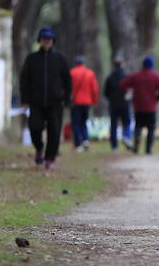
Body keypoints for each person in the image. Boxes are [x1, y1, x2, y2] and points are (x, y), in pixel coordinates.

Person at [19, 27, 71, 169]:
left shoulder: (60, 59)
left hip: (55, 102)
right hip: (36, 102)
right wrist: (24, 100)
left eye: (49, 39)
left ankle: (50, 158)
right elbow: (24, 80)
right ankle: (39, 149)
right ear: (40, 41)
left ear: (53, 41)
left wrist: (67, 99)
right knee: (35, 127)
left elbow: (67, 80)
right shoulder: (32, 59)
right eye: (44, 39)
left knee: (54, 131)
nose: (46, 42)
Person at [119, 56, 159, 154]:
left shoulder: (136, 75)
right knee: (151, 128)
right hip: (151, 107)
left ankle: (137, 140)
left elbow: (122, 84)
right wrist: (156, 99)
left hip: (139, 106)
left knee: (138, 126)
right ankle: (148, 149)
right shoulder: (156, 76)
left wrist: (130, 92)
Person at [103, 56, 133, 151]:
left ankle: (114, 145)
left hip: (113, 105)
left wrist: (112, 98)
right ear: (122, 65)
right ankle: (126, 136)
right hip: (124, 103)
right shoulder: (126, 76)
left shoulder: (110, 77)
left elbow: (106, 93)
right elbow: (130, 90)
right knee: (127, 122)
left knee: (113, 124)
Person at [69, 55, 99, 152]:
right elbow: (94, 89)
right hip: (87, 102)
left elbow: (68, 88)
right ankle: (85, 139)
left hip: (75, 102)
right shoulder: (90, 73)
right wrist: (94, 100)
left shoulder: (72, 73)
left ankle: (78, 145)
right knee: (84, 121)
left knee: (76, 123)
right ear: (84, 63)